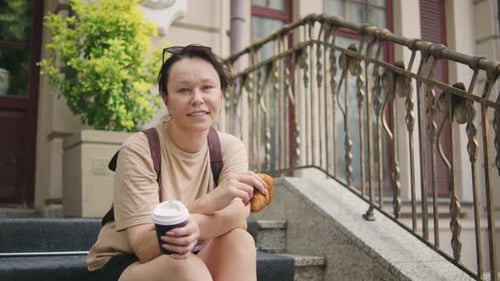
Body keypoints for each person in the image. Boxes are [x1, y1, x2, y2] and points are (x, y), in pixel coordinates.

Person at [86, 44, 268, 281]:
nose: (197, 99)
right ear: (166, 99)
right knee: (185, 267)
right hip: (127, 262)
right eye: (184, 90)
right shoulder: (139, 150)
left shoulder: (229, 147)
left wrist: (197, 226)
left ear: (221, 93)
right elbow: (144, 245)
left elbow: (237, 216)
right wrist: (210, 201)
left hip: (193, 252)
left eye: (207, 88)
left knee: (239, 240)